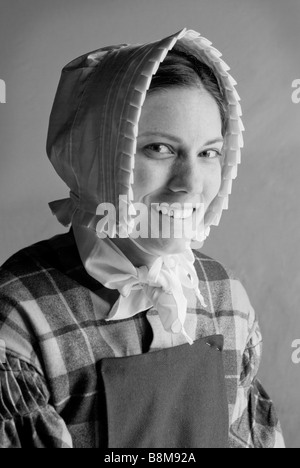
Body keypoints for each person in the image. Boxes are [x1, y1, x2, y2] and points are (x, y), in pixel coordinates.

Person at [0, 28, 285, 448]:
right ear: (97, 158)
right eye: (160, 149)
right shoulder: (21, 317)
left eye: (208, 153)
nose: (190, 184)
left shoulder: (227, 299)